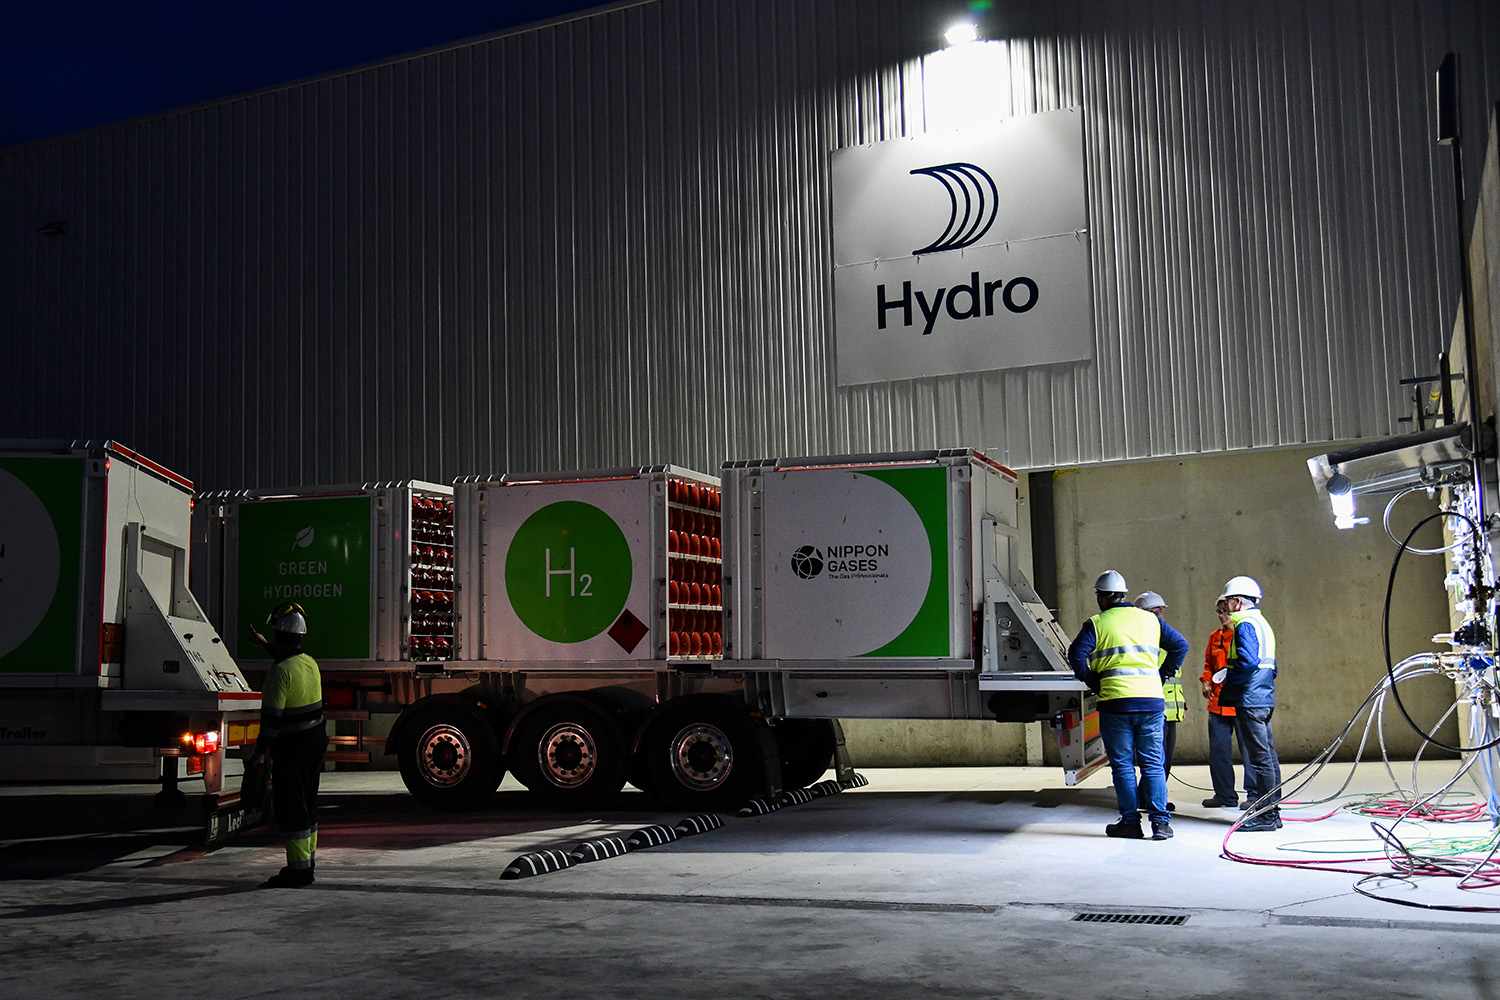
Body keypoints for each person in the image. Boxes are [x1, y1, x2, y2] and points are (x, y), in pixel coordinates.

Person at [1068, 570, 1189, 840]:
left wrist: (1093, 681)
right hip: (1151, 702)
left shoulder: (1097, 623)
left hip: (1116, 704)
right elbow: (1180, 645)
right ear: (1123, 594)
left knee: (1123, 765)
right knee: (1153, 764)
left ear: (1101, 597)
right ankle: (1161, 824)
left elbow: (1075, 654)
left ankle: (1130, 823)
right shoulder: (1150, 620)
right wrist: (1160, 675)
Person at [249, 602, 327, 887]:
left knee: (291, 807)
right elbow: (287, 659)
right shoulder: (309, 663)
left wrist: (259, 753)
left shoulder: (278, 673)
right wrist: (264, 645)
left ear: (279, 635)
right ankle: (307, 862)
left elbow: (271, 721)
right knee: (307, 804)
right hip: (315, 744)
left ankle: (298, 871)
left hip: (293, 749)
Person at [1216, 575, 1282, 832]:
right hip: (1263, 696)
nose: (1226, 607)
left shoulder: (1245, 624)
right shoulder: (1262, 623)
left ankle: (1265, 815)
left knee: (1260, 758)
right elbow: (1271, 667)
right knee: (1269, 756)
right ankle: (1272, 812)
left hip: (1250, 699)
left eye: (1228, 602)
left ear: (1236, 601)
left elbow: (1248, 662)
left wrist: (1231, 685)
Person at [1133, 590, 1185, 812]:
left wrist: (1182, 705)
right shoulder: (1143, 643)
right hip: (1155, 709)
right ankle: (1152, 799)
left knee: (1165, 759)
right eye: (1155, 612)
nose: (1160, 616)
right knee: (1156, 760)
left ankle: (1149, 797)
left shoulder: (1166, 639)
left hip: (1170, 711)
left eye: (1161, 611)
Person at [1199, 598, 1251, 808]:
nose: (1222, 616)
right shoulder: (1215, 637)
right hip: (1218, 703)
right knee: (1219, 752)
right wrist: (1206, 681)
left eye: (1225, 612)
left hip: (1240, 702)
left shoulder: (1244, 635)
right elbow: (1208, 665)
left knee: (1250, 751)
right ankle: (1224, 795)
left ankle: (1255, 795)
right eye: (1219, 612)